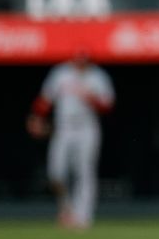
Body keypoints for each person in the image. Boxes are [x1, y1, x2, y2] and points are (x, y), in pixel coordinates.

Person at [26, 50, 115, 229]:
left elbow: (107, 106)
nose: (80, 63)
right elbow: (45, 99)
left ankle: (83, 217)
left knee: (85, 172)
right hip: (64, 128)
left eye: (84, 60)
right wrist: (36, 117)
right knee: (55, 172)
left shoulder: (97, 77)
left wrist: (92, 99)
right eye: (77, 59)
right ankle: (67, 208)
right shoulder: (60, 74)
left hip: (87, 128)